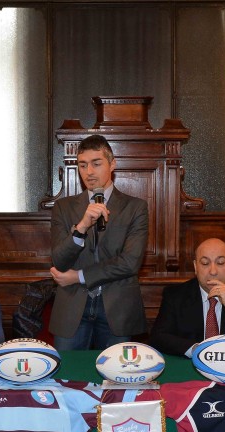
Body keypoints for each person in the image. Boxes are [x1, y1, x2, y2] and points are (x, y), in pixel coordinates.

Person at [49, 134, 148, 350]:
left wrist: (79, 276)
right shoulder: (64, 208)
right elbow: (59, 260)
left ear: (112, 164)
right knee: (69, 370)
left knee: (116, 370)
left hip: (117, 308)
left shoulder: (135, 208)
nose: (89, 172)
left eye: (96, 163)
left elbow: (130, 263)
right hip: (73, 307)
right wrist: (82, 227)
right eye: (82, 165)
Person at [150, 238, 225, 356]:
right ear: (195, 267)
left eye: (220, 263)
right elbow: (158, 337)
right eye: (205, 263)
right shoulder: (175, 295)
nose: (213, 271)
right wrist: (197, 350)